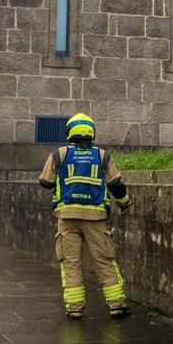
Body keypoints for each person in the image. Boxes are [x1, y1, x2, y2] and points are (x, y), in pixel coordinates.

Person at [38, 112, 132, 319]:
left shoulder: (59, 154)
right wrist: (125, 203)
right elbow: (116, 185)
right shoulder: (102, 156)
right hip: (96, 218)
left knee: (70, 263)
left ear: (69, 132)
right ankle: (117, 305)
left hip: (67, 217)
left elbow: (45, 181)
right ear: (92, 132)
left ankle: (75, 308)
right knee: (104, 261)